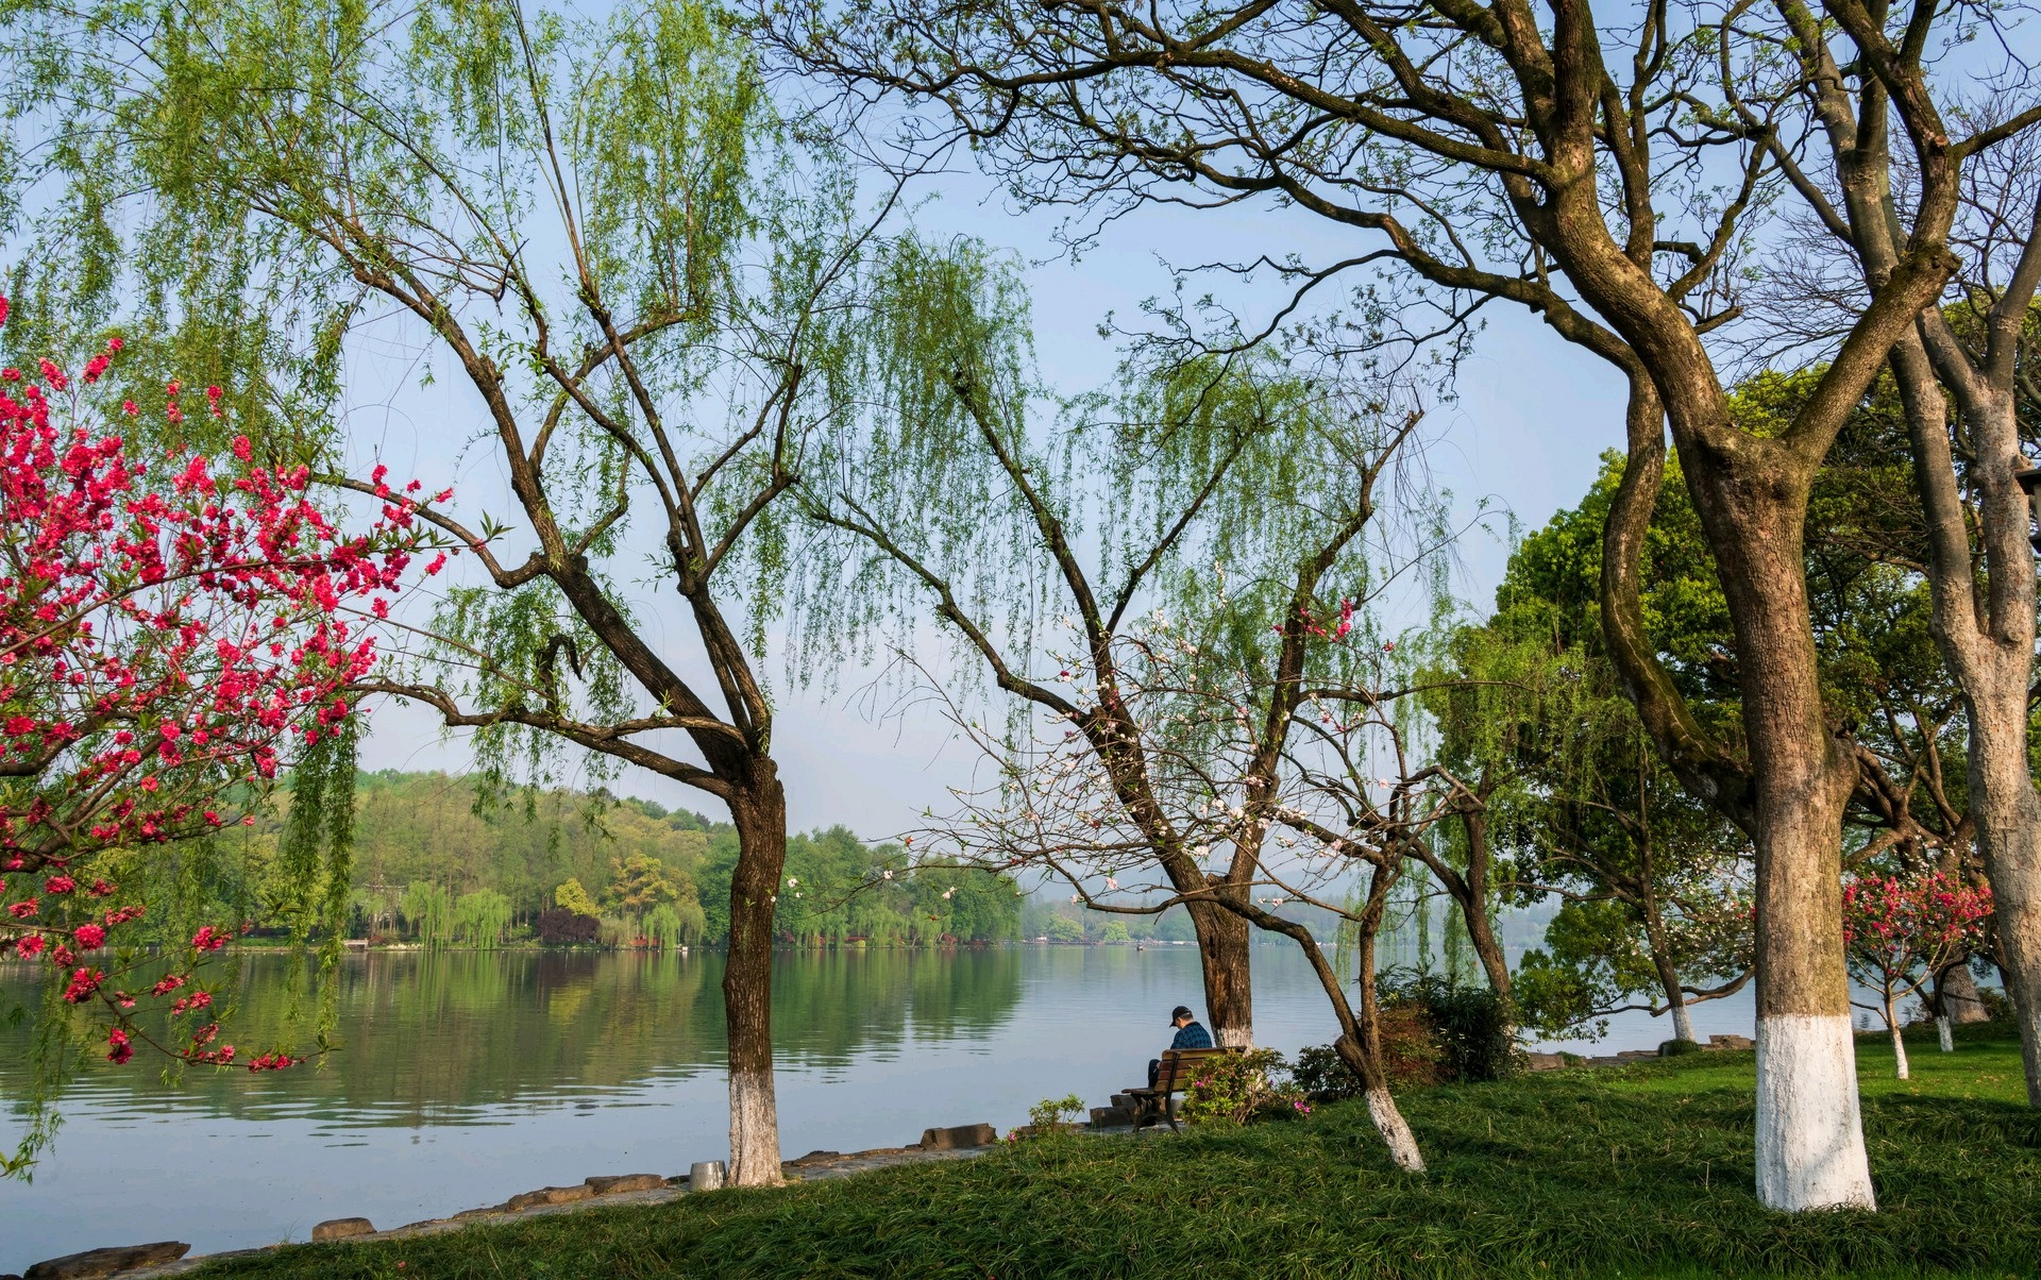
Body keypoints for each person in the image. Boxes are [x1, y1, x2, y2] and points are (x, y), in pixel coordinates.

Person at [1148, 1005, 1214, 1088]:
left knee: (1153, 1063)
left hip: (1182, 1076)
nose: (1178, 1028)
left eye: (1176, 1024)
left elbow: (1171, 1059)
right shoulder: (1205, 1033)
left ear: (1179, 1020)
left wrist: (1161, 1064)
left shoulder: (1182, 1034)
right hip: (1200, 1076)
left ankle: (1154, 1094)